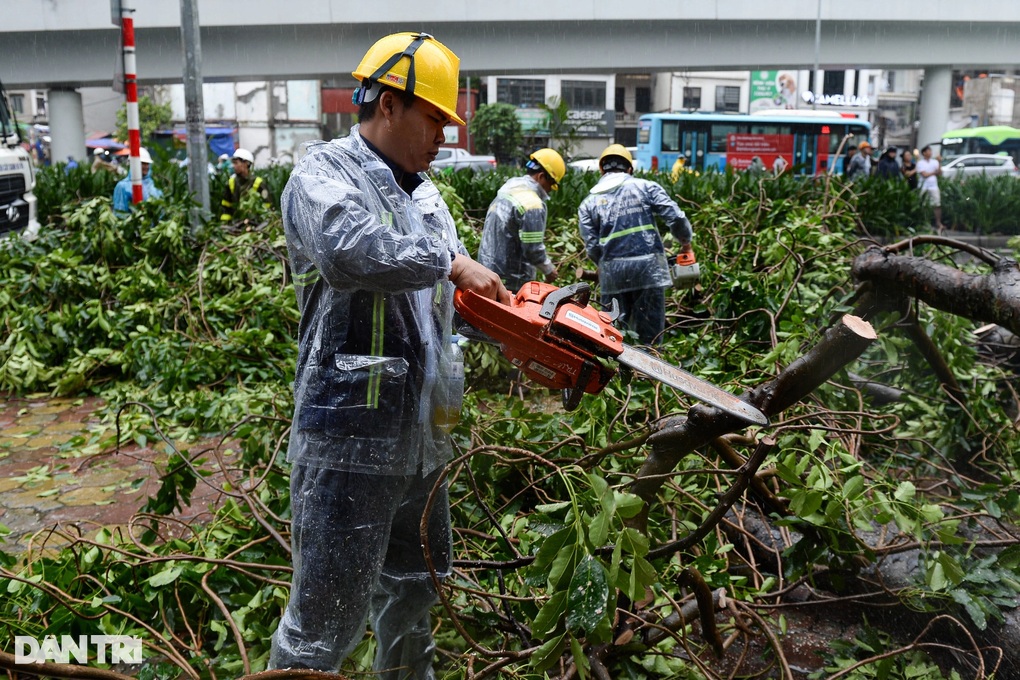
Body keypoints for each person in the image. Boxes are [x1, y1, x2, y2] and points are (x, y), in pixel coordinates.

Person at [268, 31, 510, 678]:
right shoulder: (321, 176)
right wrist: (452, 263)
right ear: (388, 105)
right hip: (348, 438)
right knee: (324, 621)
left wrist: (527, 334)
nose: (444, 136)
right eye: (435, 118)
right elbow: (350, 253)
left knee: (415, 588)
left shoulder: (425, 195)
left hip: (424, 438)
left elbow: (443, 303)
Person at [577, 144, 694, 345]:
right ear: (630, 169)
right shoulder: (647, 187)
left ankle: (613, 373)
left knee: (611, 335)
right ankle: (647, 373)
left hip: (613, 274)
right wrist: (686, 244)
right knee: (650, 336)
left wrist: (604, 265)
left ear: (602, 170)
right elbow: (675, 218)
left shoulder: (588, 203)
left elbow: (592, 246)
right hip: (650, 271)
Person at [477, 147, 564, 293]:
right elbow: (533, 249)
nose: (549, 191)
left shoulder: (509, 189)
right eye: (551, 185)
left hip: (488, 269)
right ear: (541, 176)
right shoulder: (532, 203)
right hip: (512, 280)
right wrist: (549, 270)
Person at [219, 148, 272, 222]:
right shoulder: (231, 183)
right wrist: (225, 224)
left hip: (256, 224)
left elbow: (267, 206)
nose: (234, 166)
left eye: (236, 163)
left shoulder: (258, 183)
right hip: (236, 225)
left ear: (246, 163)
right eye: (233, 163)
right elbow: (226, 207)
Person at [112, 147, 163, 215]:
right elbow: (120, 213)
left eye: (147, 164)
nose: (146, 167)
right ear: (133, 164)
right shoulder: (123, 186)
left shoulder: (152, 183)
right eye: (143, 163)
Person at [916, 145, 945, 232]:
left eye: (931, 151)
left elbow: (939, 173)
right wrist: (934, 172)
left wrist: (939, 162)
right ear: (924, 153)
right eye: (928, 151)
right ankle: (924, 222)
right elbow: (924, 175)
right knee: (923, 205)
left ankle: (938, 223)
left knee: (937, 204)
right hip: (923, 187)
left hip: (934, 186)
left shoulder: (935, 162)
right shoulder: (920, 163)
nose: (930, 152)